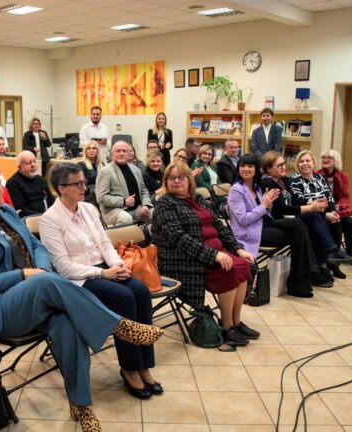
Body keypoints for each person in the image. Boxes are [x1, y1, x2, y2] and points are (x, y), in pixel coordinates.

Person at [0, 162, 163, 432]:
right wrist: (25, 275)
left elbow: (36, 245)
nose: (3, 188)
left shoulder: (6, 213)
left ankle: (81, 405)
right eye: (0, 185)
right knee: (49, 282)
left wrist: (42, 269)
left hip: (39, 293)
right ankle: (117, 325)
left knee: (68, 325)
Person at [40, 163, 161, 399]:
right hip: (79, 278)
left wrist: (118, 265)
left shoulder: (88, 209)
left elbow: (105, 245)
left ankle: (144, 365)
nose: (84, 187)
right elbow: (63, 266)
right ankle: (129, 368)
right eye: (78, 184)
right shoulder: (50, 220)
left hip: (106, 267)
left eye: (84, 181)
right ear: (60, 189)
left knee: (141, 291)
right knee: (124, 297)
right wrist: (103, 274)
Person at [152, 161, 257, 346]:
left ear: (189, 180)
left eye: (181, 177)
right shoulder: (165, 204)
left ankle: (236, 322)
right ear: (166, 182)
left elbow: (220, 227)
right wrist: (214, 255)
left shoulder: (199, 198)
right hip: (183, 258)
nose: (176, 181)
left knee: (244, 264)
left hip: (214, 252)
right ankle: (226, 326)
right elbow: (179, 238)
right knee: (230, 270)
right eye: (171, 178)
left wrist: (238, 249)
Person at [228, 155, 320, 298]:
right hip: (248, 232)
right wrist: (264, 205)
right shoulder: (236, 190)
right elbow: (243, 220)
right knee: (298, 232)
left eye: (250, 166)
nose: (246, 169)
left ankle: (300, 279)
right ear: (238, 168)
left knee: (299, 226)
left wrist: (268, 205)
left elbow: (263, 211)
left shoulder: (256, 186)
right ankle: (302, 279)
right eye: (243, 166)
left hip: (263, 224)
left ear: (256, 169)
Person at [289, 150, 352, 269]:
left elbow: (329, 197)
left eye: (307, 161)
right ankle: (332, 251)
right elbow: (299, 200)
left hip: (321, 212)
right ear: (297, 164)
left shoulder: (319, 178)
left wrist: (332, 211)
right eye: (301, 161)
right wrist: (324, 214)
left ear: (313, 163)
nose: (305, 163)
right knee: (319, 218)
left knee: (336, 220)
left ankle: (334, 262)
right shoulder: (295, 179)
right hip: (306, 213)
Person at [318, 149, 352, 269]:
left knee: (349, 223)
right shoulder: (317, 174)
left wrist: (339, 206)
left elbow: (345, 196)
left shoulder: (343, 176)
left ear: (336, 161)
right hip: (324, 209)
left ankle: (351, 254)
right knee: (332, 222)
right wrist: (329, 207)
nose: (325, 160)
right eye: (323, 157)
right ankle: (333, 255)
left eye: (329, 158)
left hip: (339, 208)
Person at [95, 141, 154, 226]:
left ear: (129, 154)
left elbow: (144, 190)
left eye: (124, 151)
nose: (121, 153)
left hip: (137, 209)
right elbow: (101, 198)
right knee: (126, 219)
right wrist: (123, 201)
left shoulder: (136, 169)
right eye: (118, 151)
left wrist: (145, 205)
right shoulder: (105, 171)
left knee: (157, 214)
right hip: (114, 210)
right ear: (112, 154)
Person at [6, 151, 55, 217]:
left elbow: (51, 200)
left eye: (34, 161)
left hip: (47, 217)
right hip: (29, 221)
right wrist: (43, 217)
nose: (33, 165)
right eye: (28, 163)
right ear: (19, 167)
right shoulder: (13, 183)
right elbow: (20, 210)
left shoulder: (41, 180)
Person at [78, 140, 103, 205]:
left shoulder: (102, 165)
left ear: (97, 151)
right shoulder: (81, 165)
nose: (91, 150)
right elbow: (81, 185)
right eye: (88, 148)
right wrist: (94, 189)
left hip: (102, 194)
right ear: (85, 151)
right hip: (89, 195)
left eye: (94, 148)